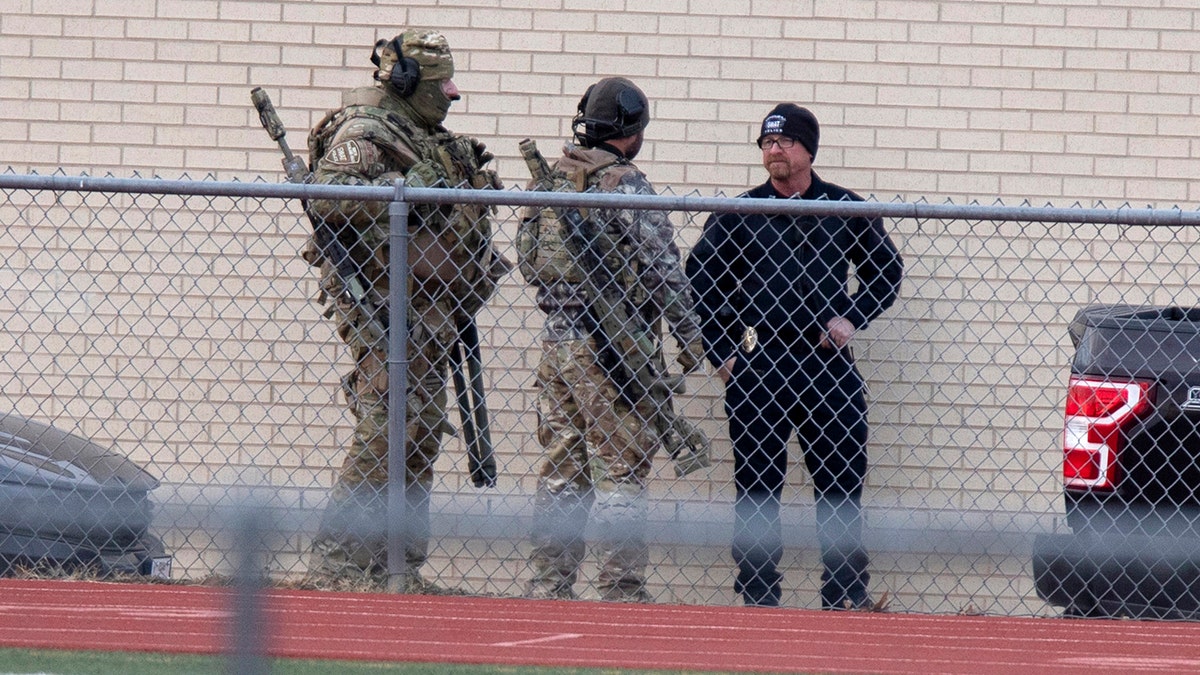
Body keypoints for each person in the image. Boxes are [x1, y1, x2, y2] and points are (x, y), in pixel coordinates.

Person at [303, 29, 508, 591]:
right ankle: (337, 565)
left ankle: (396, 567)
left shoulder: (422, 133)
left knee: (419, 432)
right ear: (407, 79)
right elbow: (326, 194)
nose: (452, 94)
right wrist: (401, 188)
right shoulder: (368, 129)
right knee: (385, 427)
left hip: (431, 311)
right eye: (442, 82)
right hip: (385, 307)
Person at [685, 103, 903, 609]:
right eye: (766, 142)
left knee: (842, 484)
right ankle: (758, 593)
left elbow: (885, 273)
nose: (773, 150)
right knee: (757, 488)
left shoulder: (844, 208)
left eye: (783, 142)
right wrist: (723, 355)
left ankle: (844, 593)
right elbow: (701, 284)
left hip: (827, 367)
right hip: (761, 365)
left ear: (808, 149)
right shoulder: (742, 212)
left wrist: (851, 317)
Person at [516, 77, 708, 602]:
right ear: (631, 128)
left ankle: (547, 587)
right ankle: (622, 592)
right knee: (621, 469)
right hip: (612, 348)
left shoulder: (549, 182)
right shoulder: (624, 184)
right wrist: (690, 337)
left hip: (558, 344)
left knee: (563, 470)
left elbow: (530, 263)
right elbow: (664, 268)